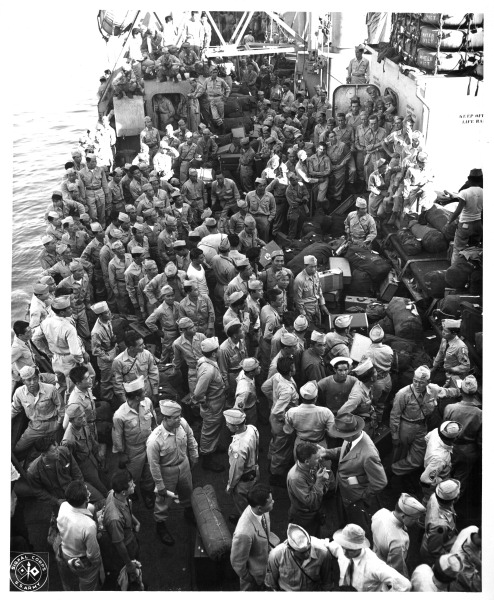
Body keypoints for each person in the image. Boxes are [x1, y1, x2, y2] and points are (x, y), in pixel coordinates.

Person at [389, 365, 461, 478]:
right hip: (405, 427)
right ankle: (395, 476)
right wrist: (395, 436)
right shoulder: (403, 394)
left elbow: (448, 392)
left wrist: (461, 389)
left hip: (422, 427)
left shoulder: (433, 389)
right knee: (400, 453)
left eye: (421, 382)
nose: (417, 385)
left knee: (417, 460)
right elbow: (394, 416)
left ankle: (394, 470)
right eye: (415, 381)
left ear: (428, 382)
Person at [324, 413, 387, 537]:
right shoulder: (352, 439)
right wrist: (326, 453)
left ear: (351, 434)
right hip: (344, 492)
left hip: (356, 499)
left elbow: (380, 482)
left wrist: (363, 496)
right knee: (345, 519)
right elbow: (344, 453)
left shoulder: (369, 454)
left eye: (342, 435)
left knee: (358, 528)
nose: (340, 437)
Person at [146, 400, 198, 545]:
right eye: (175, 417)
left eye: (179, 416)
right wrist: (160, 485)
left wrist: (194, 455)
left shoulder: (182, 424)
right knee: (163, 501)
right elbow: (154, 465)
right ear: (166, 418)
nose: (179, 419)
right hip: (167, 472)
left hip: (184, 466)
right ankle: (160, 525)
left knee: (187, 492)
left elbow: (191, 438)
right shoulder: (154, 440)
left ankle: (188, 511)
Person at [27, 435, 104, 511]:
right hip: (60, 498)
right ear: (44, 454)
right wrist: (56, 501)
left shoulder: (64, 451)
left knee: (102, 501)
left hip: (77, 487)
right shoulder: (33, 471)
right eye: (54, 451)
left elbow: (76, 472)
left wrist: (80, 489)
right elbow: (38, 492)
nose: (58, 451)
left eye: (57, 447)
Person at [112, 376, 157, 508]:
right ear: (137, 397)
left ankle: (147, 494)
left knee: (149, 473)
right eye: (143, 391)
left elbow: (153, 418)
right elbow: (117, 436)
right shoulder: (120, 415)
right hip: (133, 450)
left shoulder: (147, 402)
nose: (146, 393)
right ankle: (132, 492)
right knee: (134, 475)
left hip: (149, 444)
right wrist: (121, 454)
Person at [327, 523, 411, 591]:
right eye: (343, 547)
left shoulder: (374, 565)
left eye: (350, 549)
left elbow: (405, 585)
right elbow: (323, 545)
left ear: (359, 546)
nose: (344, 553)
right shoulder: (340, 547)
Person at [230, 483, 279, 591]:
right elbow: (237, 563)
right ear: (260, 508)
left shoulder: (261, 510)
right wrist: (251, 578)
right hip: (253, 578)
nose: (273, 502)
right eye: (270, 502)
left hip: (264, 567)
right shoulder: (244, 533)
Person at [55, 481, 102, 591]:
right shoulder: (88, 526)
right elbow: (93, 555)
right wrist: (96, 565)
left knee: (67, 582)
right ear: (86, 499)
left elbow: (88, 508)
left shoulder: (63, 506)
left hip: (63, 552)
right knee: (88, 585)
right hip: (81, 560)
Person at [101, 469, 142, 588]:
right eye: (131, 485)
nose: (134, 485)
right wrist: (129, 564)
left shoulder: (113, 493)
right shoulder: (115, 519)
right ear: (124, 492)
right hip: (127, 544)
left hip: (131, 535)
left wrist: (136, 522)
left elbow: (127, 508)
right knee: (130, 570)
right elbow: (119, 544)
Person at [262, 356, 298, 486]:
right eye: (293, 366)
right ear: (290, 371)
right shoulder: (286, 390)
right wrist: (286, 417)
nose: (295, 368)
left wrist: (274, 400)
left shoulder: (278, 376)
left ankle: (271, 459)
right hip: (281, 422)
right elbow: (277, 412)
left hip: (274, 420)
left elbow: (265, 388)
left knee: (275, 441)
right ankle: (275, 474)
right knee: (282, 449)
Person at [371, 493, 426, 578]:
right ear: (403, 516)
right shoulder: (398, 541)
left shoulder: (381, 513)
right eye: (415, 519)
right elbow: (396, 570)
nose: (417, 522)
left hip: (375, 557)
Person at [11, 365, 62, 457]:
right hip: (35, 427)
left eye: (34, 378)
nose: (33, 382)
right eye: (28, 380)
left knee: (59, 450)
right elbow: (15, 408)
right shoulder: (19, 393)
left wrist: (58, 423)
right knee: (17, 449)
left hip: (53, 424)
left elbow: (61, 407)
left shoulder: (50, 389)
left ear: (38, 377)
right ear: (23, 381)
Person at [443, 375, 482, 492]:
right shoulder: (480, 414)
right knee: (461, 480)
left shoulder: (450, 408)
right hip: (469, 452)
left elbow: (443, 430)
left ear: (461, 391)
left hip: (451, 448)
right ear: (475, 393)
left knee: (445, 475)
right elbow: (480, 441)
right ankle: (454, 501)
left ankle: (442, 497)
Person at [265, 523, 332, 591]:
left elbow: (327, 582)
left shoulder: (323, 553)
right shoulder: (276, 555)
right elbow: (272, 583)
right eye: (302, 553)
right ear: (291, 549)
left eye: (309, 549)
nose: (307, 554)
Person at [193, 337, 226, 472]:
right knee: (209, 431)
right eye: (217, 350)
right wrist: (205, 403)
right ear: (213, 353)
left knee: (214, 428)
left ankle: (213, 446)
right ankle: (207, 458)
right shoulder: (208, 370)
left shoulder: (207, 361)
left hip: (216, 403)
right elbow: (198, 393)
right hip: (213, 405)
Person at [62, 403, 108, 497]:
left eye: (84, 416)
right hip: (83, 466)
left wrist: (98, 455)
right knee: (100, 488)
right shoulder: (69, 439)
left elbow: (91, 440)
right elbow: (70, 461)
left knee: (103, 478)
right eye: (79, 418)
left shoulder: (84, 425)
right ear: (71, 420)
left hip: (92, 458)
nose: (83, 419)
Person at [287, 442, 332, 537]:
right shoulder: (296, 478)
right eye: (316, 458)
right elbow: (310, 501)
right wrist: (320, 482)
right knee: (306, 541)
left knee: (316, 536)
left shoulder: (313, 465)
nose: (320, 459)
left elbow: (326, 484)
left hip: (315, 511)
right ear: (307, 461)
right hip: (303, 517)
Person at [223, 408, 259, 524]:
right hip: (255, 471)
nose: (226, 425)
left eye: (229, 424)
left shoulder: (238, 447)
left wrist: (230, 486)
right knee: (253, 498)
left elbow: (235, 471)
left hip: (244, 480)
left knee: (244, 504)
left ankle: (247, 522)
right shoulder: (252, 429)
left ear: (237, 427)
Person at [284, 380, 335, 458]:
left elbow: (288, 431)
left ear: (301, 397)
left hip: (300, 445)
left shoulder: (291, 412)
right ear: (316, 398)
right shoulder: (326, 412)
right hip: (319, 446)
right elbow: (332, 433)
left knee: (300, 469)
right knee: (322, 469)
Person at [112, 330, 159, 406]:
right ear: (131, 347)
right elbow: (118, 384)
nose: (144, 346)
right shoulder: (118, 362)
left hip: (147, 394)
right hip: (133, 398)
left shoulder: (147, 354)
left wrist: (155, 392)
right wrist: (126, 403)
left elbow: (154, 373)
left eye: (143, 343)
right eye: (140, 345)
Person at [420, 478, 461, 564]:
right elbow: (435, 550)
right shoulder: (440, 526)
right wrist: (450, 559)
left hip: (435, 537)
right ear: (455, 499)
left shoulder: (435, 496)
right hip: (434, 556)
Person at [421, 421, 462, 504]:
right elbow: (425, 480)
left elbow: (426, 438)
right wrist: (440, 481)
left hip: (433, 468)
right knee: (431, 501)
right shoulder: (440, 459)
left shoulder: (436, 431)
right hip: (435, 482)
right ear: (455, 438)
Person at [361, 324, 393, 423]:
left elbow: (363, 368)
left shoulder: (368, 352)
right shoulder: (388, 349)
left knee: (373, 406)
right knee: (382, 404)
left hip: (376, 383)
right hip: (387, 379)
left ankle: (374, 425)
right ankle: (380, 421)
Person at [90, 301, 117, 403]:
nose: (109, 314)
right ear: (100, 315)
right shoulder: (96, 331)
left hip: (112, 350)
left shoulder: (107, 321)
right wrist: (107, 358)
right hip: (105, 357)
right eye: (106, 313)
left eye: (109, 311)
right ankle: (107, 399)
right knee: (106, 380)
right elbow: (95, 350)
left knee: (114, 375)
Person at [145, 284, 180, 363]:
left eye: (172, 295)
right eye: (168, 296)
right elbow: (148, 321)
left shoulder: (177, 305)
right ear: (163, 297)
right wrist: (157, 331)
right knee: (165, 353)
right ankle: (161, 368)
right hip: (168, 333)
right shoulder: (160, 309)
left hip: (177, 332)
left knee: (175, 352)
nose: (171, 298)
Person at [431, 319, 470, 385]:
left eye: (446, 331)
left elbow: (466, 366)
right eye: (443, 329)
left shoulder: (460, 347)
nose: (443, 332)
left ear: (454, 333)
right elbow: (440, 353)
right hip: (444, 369)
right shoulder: (444, 340)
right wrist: (434, 367)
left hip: (454, 376)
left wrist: (451, 369)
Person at [293, 255, 329, 326]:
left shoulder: (316, 274)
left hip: (316, 305)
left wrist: (322, 304)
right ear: (305, 266)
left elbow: (319, 290)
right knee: (308, 327)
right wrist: (303, 314)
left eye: (315, 266)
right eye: (311, 267)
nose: (314, 269)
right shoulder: (299, 280)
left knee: (319, 325)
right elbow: (298, 299)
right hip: (306, 308)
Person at [218, 320, 247, 407]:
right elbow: (223, 369)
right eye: (241, 331)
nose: (243, 332)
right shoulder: (223, 349)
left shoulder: (242, 341)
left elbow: (246, 356)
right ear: (235, 335)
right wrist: (227, 385)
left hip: (244, 372)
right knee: (233, 397)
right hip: (233, 377)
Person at [78, 153, 110, 225]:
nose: (95, 163)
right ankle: (95, 226)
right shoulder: (81, 173)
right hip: (89, 192)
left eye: (95, 161)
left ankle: (103, 225)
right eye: (93, 161)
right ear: (88, 162)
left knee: (102, 210)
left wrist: (107, 194)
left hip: (99, 191)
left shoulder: (100, 170)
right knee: (93, 213)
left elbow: (104, 183)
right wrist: (83, 198)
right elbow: (82, 186)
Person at [449, 525, 481, 592]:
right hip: (460, 587)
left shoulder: (473, 528)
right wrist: (480, 565)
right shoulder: (461, 559)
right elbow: (476, 588)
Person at [245, 178, 276, 243]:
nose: (263, 188)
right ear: (256, 187)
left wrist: (269, 219)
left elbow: (273, 209)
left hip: (264, 217)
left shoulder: (270, 196)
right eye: (260, 186)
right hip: (252, 216)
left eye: (264, 185)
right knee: (252, 236)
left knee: (264, 238)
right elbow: (246, 207)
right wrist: (248, 217)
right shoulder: (249, 195)